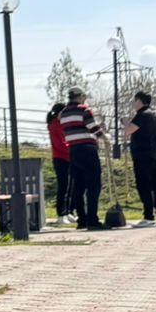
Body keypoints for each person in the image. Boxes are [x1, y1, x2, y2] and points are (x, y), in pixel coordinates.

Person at [59, 87, 107, 231]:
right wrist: (105, 138)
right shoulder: (84, 110)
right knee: (94, 185)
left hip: (73, 151)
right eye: (84, 96)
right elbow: (93, 128)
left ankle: (82, 220)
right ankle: (92, 219)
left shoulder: (63, 114)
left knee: (78, 187)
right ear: (79, 97)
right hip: (87, 149)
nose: (85, 98)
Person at [126, 90, 156, 227]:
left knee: (143, 184)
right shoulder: (155, 115)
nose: (133, 104)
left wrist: (125, 123)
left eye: (134, 101)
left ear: (139, 101)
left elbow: (129, 130)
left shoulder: (141, 115)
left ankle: (148, 216)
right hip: (155, 153)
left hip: (142, 155)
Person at [46, 103, 73, 225]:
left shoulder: (61, 125)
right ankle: (61, 214)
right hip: (60, 158)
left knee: (69, 186)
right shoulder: (54, 126)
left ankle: (67, 211)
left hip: (67, 158)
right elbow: (60, 144)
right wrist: (72, 148)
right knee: (63, 186)